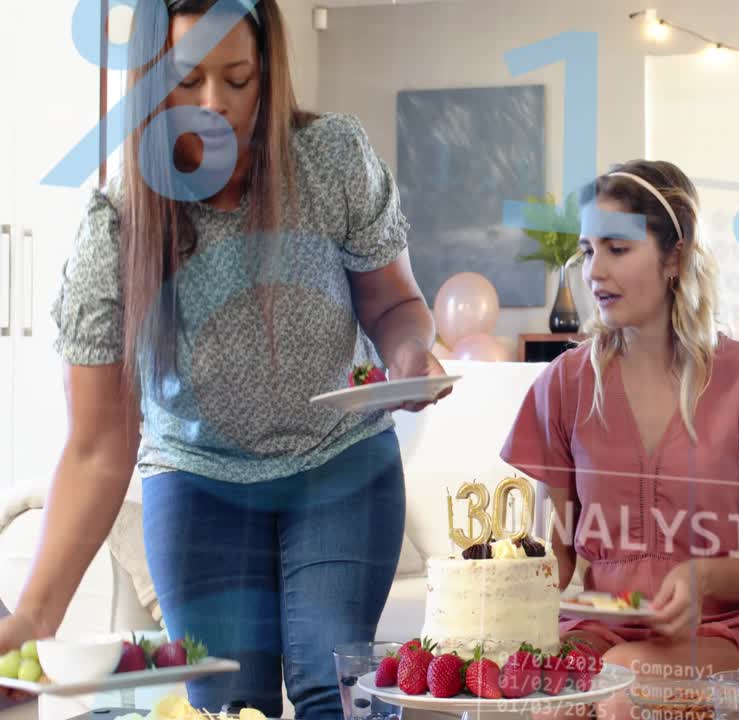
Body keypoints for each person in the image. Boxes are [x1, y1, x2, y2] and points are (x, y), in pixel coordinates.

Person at [0, 2, 448, 717]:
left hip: (340, 464)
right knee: (225, 706)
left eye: (238, 79)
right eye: (187, 81)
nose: (214, 107)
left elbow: (395, 306)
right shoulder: (117, 225)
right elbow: (95, 448)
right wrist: (32, 619)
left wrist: (408, 358)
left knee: (332, 691)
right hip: (198, 478)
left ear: (267, 73)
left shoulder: (330, 159)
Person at [500, 160, 739, 700]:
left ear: (676, 256)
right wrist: (507, 593)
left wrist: (701, 579)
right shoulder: (563, 383)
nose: (595, 273)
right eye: (588, 251)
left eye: (617, 250)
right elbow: (559, 547)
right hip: (595, 627)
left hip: (717, 635)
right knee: (549, 697)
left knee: (617, 685)